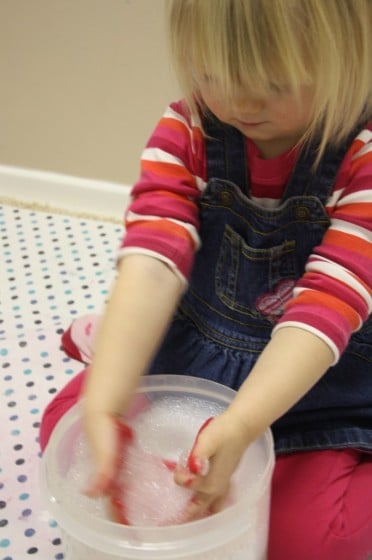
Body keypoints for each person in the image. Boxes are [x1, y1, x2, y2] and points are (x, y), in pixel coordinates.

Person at [40, 1, 372, 558]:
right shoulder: (189, 128)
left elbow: (327, 305)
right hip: (197, 350)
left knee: (309, 540)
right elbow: (151, 259)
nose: (240, 103)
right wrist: (108, 404)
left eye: (275, 81)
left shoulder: (360, 157)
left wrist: (242, 425)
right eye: (214, 73)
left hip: (314, 376)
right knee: (67, 434)